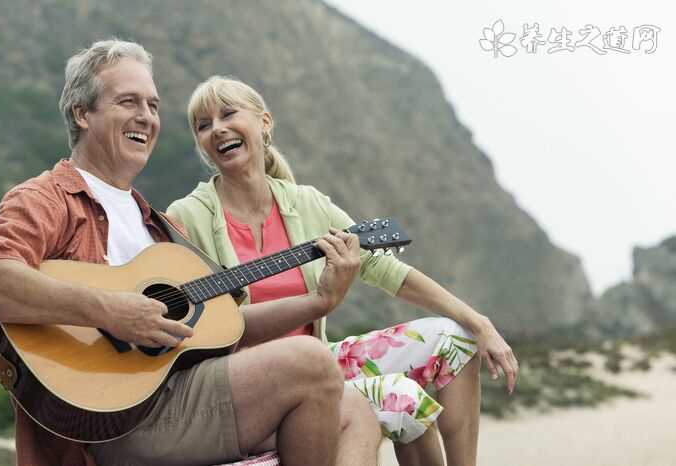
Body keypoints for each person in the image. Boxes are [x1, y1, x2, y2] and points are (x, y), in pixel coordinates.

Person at [0, 40, 382, 466]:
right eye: (128, 101)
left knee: (356, 410)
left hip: (177, 397)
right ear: (82, 113)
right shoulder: (49, 197)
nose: (146, 117)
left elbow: (223, 329)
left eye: (152, 105)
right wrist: (110, 311)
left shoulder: (161, 225)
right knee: (311, 361)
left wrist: (319, 301)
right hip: (114, 422)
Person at [167, 76, 521, 466]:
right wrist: (319, 299)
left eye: (228, 113)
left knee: (455, 338)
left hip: (319, 361)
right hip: (249, 384)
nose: (217, 128)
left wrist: (480, 323)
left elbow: (386, 269)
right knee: (401, 397)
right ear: (201, 144)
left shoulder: (306, 204)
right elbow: (194, 321)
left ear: (264, 123)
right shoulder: (188, 216)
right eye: (203, 124)